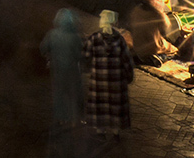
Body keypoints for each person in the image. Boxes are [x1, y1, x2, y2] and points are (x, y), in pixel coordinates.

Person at [84, 9, 135, 135]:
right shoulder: (120, 40)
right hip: (116, 81)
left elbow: (85, 56)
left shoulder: (94, 38)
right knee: (114, 106)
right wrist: (129, 76)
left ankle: (100, 130)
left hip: (99, 80)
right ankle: (115, 131)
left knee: (100, 105)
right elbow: (127, 60)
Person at [39, 9, 85, 138]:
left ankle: (61, 118)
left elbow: (43, 48)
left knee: (59, 93)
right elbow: (79, 54)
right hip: (72, 70)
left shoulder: (51, 34)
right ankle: (74, 119)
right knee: (73, 93)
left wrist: (50, 56)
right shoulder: (75, 36)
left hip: (57, 69)